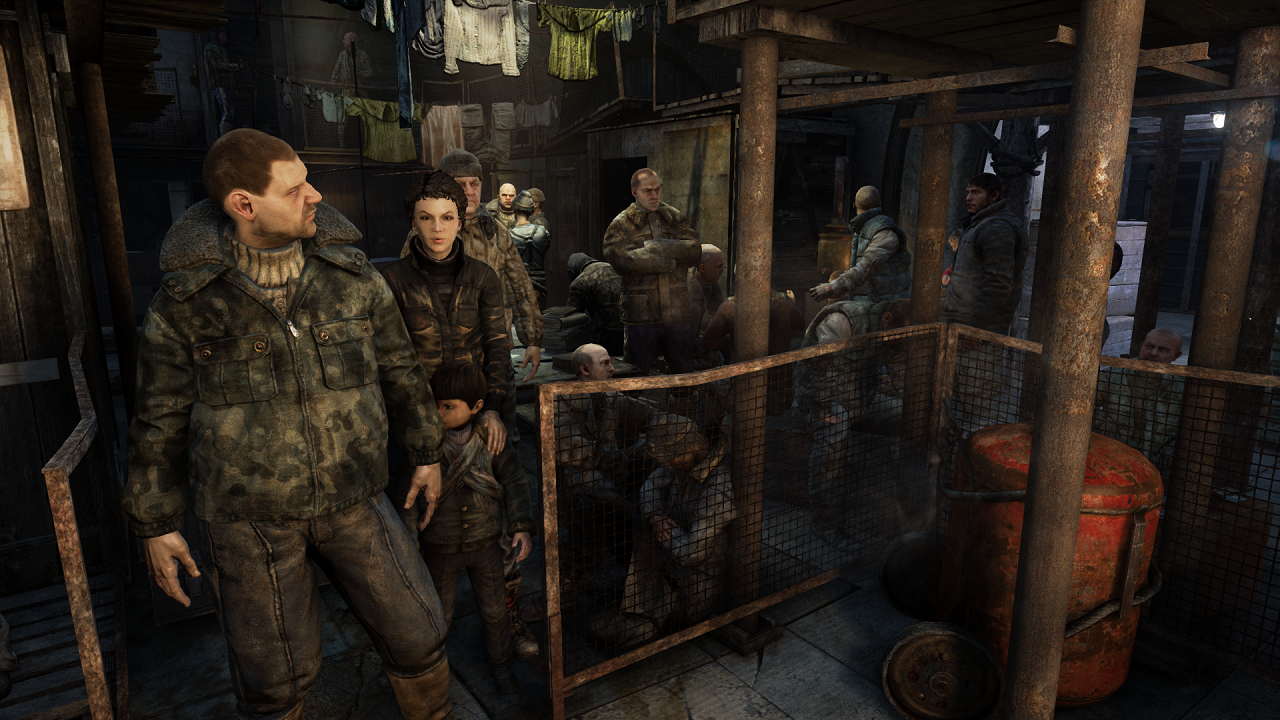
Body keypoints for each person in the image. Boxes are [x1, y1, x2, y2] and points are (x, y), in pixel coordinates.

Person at [122, 129, 452, 720]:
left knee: (418, 634)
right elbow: (158, 415)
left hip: (355, 496)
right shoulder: (187, 303)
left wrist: (427, 453)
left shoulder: (350, 276)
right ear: (243, 204)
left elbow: (400, 369)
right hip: (248, 520)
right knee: (272, 683)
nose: (315, 195)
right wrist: (155, 522)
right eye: (295, 188)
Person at [382, 171, 540, 658]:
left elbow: (497, 347)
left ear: (460, 220)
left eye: (447, 217)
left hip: (479, 418)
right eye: (426, 218)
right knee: (414, 531)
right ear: (412, 222)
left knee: (498, 521)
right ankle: (422, 641)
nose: (437, 228)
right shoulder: (391, 281)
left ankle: (507, 617)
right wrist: (414, 428)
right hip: (416, 427)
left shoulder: (483, 277)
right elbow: (389, 361)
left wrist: (491, 409)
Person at [420, 361, 536, 695]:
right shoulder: (425, 444)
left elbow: (514, 481)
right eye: (436, 405)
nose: (439, 413)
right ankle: (432, 675)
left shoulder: (491, 440)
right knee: (437, 616)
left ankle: (500, 665)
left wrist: (521, 526)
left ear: (476, 407)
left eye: (448, 406)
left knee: (495, 611)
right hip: (440, 544)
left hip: (485, 542)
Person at [588, 415, 735, 651]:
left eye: (672, 458)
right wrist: (655, 516)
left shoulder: (718, 489)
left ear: (692, 447)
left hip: (693, 584)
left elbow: (691, 553)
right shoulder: (685, 463)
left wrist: (664, 532)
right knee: (633, 515)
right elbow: (650, 484)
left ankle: (647, 619)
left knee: (648, 532)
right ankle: (638, 606)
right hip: (667, 564)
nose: (667, 465)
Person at [401, 149, 543, 392]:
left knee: (500, 411)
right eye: (460, 184)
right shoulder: (423, 233)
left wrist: (532, 340)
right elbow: (404, 296)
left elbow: (519, 287)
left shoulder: (497, 233)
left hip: (493, 354)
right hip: (440, 359)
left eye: (474, 184)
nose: (469, 191)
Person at [554, 344, 661, 608]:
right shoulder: (560, 402)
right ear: (585, 369)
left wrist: (666, 424)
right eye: (605, 363)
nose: (612, 369)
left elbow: (647, 414)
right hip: (579, 481)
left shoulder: (610, 396)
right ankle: (566, 586)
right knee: (603, 503)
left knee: (647, 453)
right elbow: (571, 451)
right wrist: (615, 458)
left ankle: (645, 570)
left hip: (612, 474)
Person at [800, 298, 913, 534]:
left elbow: (900, 372)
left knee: (906, 413)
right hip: (823, 401)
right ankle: (826, 520)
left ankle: (907, 507)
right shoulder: (842, 322)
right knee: (834, 432)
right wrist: (822, 411)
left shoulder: (894, 335)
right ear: (887, 318)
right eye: (901, 334)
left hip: (861, 400)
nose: (902, 340)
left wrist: (914, 404)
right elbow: (821, 369)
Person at [941, 173, 1030, 422]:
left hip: (976, 331)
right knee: (962, 396)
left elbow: (998, 285)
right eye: (967, 192)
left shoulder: (996, 228)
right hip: (964, 326)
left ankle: (984, 444)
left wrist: (977, 327)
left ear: (994, 196)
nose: (968, 198)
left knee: (979, 401)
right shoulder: (982, 224)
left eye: (976, 193)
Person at [603, 168, 702, 374]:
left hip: (676, 313)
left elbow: (694, 251)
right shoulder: (621, 223)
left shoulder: (674, 217)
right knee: (635, 375)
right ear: (634, 192)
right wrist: (667, 262)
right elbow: (621, 260)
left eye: (657, 189)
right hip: (642, 316)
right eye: (647, 190)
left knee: (685, 375)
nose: (654, 195)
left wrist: (659, 247)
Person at [1094, 328, 1185, 477]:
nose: (1153, 353)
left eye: (1163, 350)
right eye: (1149, 346)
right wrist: (1101, 420)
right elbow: (1086, 405)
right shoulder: (1114, 375)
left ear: (1176, 356)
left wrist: (1176, 444)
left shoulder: (1181, 386)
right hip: (1113, 456)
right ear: (1141, 345)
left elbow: (1194, 425)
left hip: (1158, 462)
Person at [809, 186, 911, 303]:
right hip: (868, 301)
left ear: (854, 206)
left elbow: (866, 267)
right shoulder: (861, 230)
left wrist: (831, 288)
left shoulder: (884, 232)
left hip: (886, 302)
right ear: (880, 204)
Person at [567, 253, 624, 357]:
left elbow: (572, 319)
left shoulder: (580, 281)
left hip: (603, 340)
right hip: (629, 333)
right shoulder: (614, 268)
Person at [203, 29, 246, 137]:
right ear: (216, 36)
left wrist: (235, 86)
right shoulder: (211, 48)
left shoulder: (221, 49)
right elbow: (219, 66)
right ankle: (225, 140)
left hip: (228, 85)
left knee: (232, 114)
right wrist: (237, 66)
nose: (226, 37)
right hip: (221, 84)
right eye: (223, 35)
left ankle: (229, 138)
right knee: (228, 114)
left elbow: (227, 69)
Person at [509, 190, 550, 272]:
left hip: (519, 278)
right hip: (540, 277)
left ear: (514, 211)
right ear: (531, 212)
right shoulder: (543, 232)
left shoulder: (509, 235)